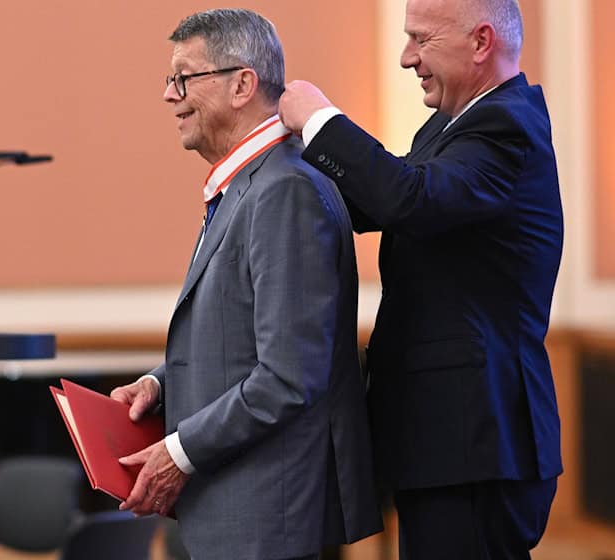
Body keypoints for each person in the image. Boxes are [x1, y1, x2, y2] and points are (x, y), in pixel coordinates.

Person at [278, 0, 563, 558]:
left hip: (478, 440)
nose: (407, 58)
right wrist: (278, 158)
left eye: (421, 39)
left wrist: (319, 120)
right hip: (443, 437)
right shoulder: (451, 125)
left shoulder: (506, 126)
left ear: (481, 42)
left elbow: (408, 198)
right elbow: (378, 202)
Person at [110, 9, 382, 560]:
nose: (170, 95)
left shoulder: (284, 191)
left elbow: (287, 375)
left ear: (242, 85)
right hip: (243, 511)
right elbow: (241, 335)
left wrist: (179, 452)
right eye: (170, 79)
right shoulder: (249, 187)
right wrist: (162, 386)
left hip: (268, 516)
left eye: (184, 78)